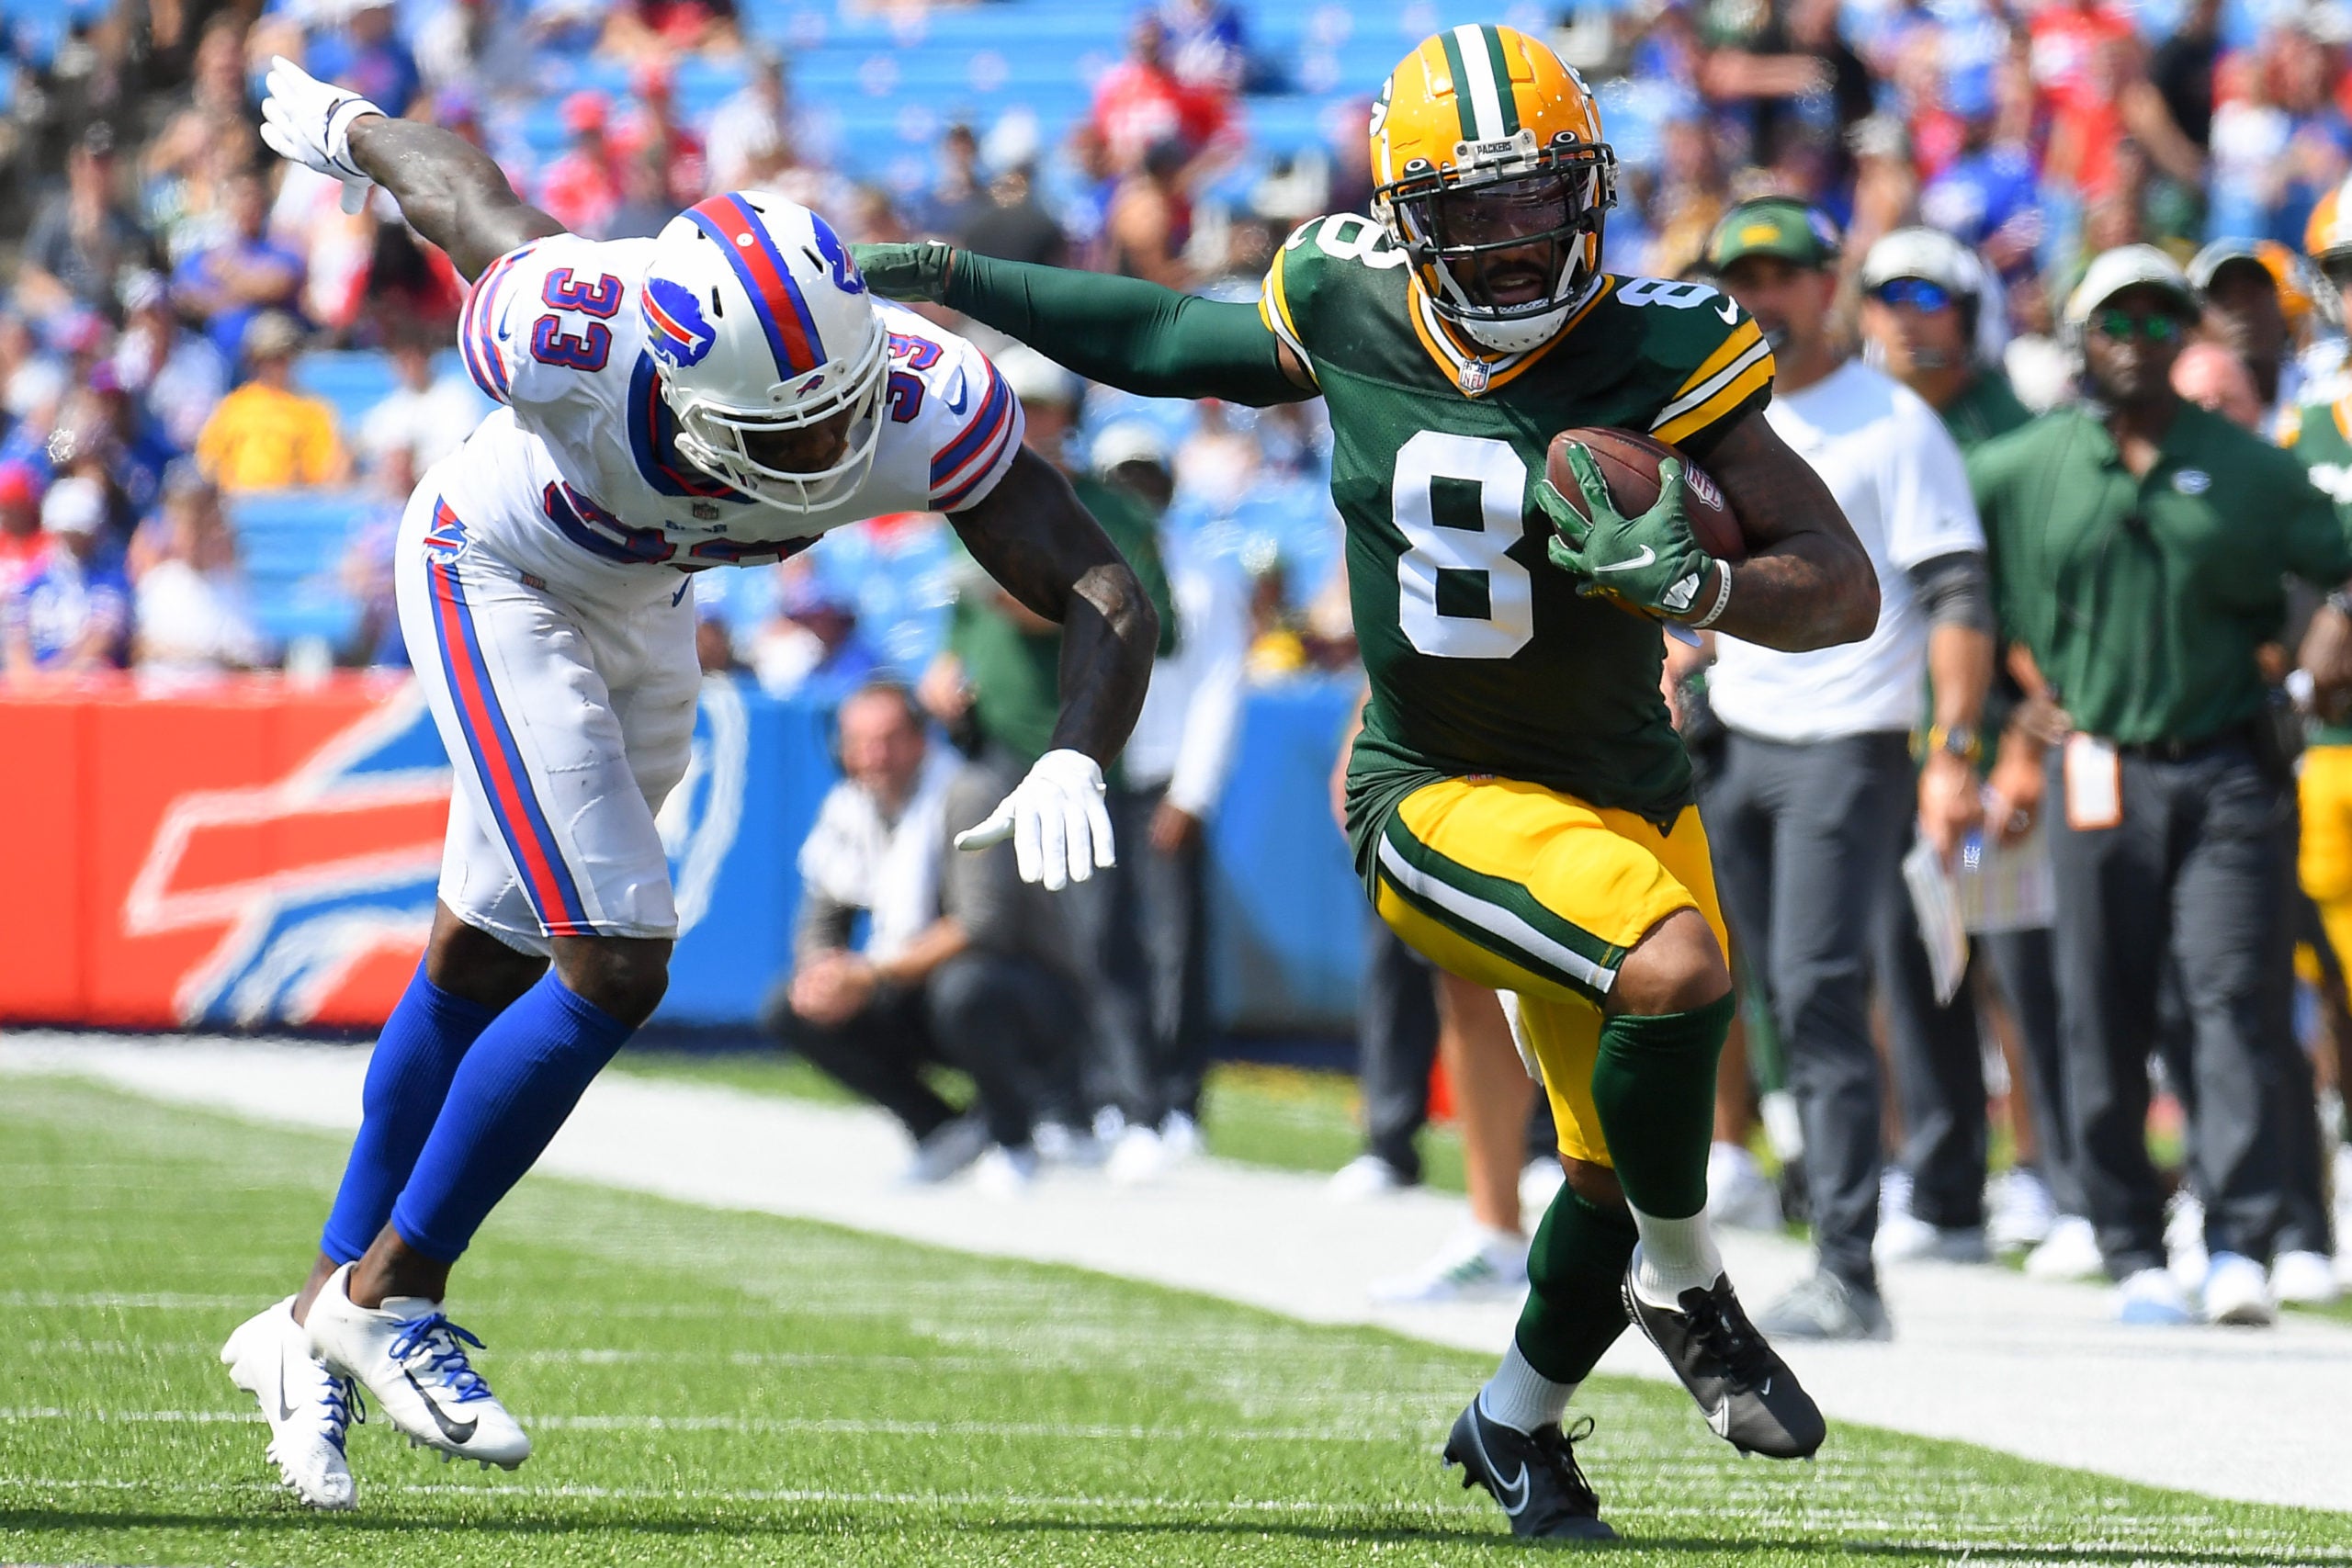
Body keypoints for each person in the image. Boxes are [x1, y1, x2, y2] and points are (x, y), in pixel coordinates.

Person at [857, 22, 1878, 1540]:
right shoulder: (1347, 297)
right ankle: (1693, 1284)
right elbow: (1163, 336)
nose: (1519, 241)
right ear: (1405, 219)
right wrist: (954, 275)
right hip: (1436, 787)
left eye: (1543, 198)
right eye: (1479, 210)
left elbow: (1842, 583)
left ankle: (1515, 1421)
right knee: (1675, 973)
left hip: (1628, 785)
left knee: (1614, 1165)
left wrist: (1706, 587)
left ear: (1593, 189)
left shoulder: (1665, 346)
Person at [220, 56, 1158, 1511]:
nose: (834, 452)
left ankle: (308, 1325)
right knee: (615, 953)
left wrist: (1078, 749)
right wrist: (352, 129)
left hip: (647, 601)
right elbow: (465, 197)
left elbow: (1098, 578)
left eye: (844, 411)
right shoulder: (572, 329)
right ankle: (388, 1292)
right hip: (494, 565)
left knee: (486, 952)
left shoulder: (914, 392)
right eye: (790, 432)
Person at [1972, 244, 2352, 1327]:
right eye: (2115, 322)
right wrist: (2005, 708)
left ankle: (2239, 1239)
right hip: (2094, 765)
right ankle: (2130, 1240)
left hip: (2229, 765)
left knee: (2232, 998)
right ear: (2080, 337)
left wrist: (2327, 633)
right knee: (2100, 1003)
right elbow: (1947, 579)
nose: (2135, 341)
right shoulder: (2025, 464)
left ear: (2184, 334)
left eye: (2156, 321)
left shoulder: (2245, 466)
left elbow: (2340, 555)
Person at [1693, 199, 1991, 1339]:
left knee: (1819, 988)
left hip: (1848, 740)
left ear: (1830, 286)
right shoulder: (1716, 414)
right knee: (1759, 992)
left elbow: (1955, 591)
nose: (1762, 296)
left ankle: (1848, 1268)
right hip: (1737, 730)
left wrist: (1950, 747)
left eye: (1783, 274)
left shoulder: (1891, 422)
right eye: (1743, 276)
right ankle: (1799, 1209)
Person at [1853, 226, 2083, 1275]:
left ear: (1969, 310)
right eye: (1887, 296)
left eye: (1927, 296)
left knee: (2024, 972)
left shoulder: (2018, 435)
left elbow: (2043, 610)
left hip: (1994, 741)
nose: (1907, 318)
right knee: (1916, 966)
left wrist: (2021, 744)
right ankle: (1945, 1187)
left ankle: (2052, 1175)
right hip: (1889, 735)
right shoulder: (1858, 419)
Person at [771, 682, 1085, 1190]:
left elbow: (982, 924)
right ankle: (941, 1130)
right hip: (914, 988)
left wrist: (869, 974)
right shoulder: (850, 806)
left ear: (921, 739)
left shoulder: (966, 793)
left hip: (1031, 997)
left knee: (964, 987)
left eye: (888, 740)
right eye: (860, 743)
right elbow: (821, 920)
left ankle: (1015, 1136)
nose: (874, 757)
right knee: (790, 1006)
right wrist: (823, 973)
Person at [1082, 420, 1247, 1179]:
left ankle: (1179, 1098)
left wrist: (1193, 791)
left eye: (1147, 480)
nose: (1136, 496)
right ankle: (1121, 1092)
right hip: (1096, 775)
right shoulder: (1078, 568)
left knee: (1176, 946)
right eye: (1123, 483)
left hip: (1164, 778)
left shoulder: (1203, 575)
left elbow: (1220, 686)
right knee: (1099, 937)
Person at [195, 312, 351, 492]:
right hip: (238, 500)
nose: (272, 366)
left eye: (280, 357)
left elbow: (329, 470)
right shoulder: (231, 407)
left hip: (291, 502)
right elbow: (209, 463)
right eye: (264, 358)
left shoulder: (313, 410)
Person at [17, 125, 154, 320]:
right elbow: (33, 272)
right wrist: (67, 307)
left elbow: (133, 280)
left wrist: (100, 235)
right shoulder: (56, 214)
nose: (99, 172)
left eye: (107, 164)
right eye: (93, 163)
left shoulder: (128, 223)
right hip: (62, 312)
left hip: (108, 316)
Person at [2, 476, 130, 674]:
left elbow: (100, 639)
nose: (73, 542)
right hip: (36, 679)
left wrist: (60, 676)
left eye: (79, 534)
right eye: (67, 534)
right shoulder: (32, 582)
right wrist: (28, 676)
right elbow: (16, 641)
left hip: (84, 679)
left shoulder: (110, 582)